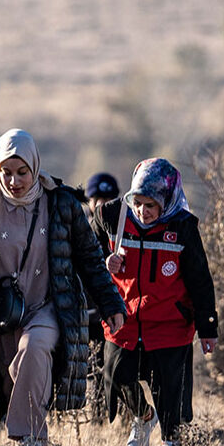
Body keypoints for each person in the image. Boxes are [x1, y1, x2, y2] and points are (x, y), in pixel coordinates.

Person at [0, 129, 126, 446]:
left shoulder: (62, 205)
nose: (13, 181)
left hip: (47, 308)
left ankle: (26, 442)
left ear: (35, 166)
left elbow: (90, 260)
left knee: (34, 350)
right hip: (3, 315)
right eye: (6, 172)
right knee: (21, 374)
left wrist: (111, 304)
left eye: (22, 172)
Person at [92, 158, 218, 446]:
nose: (143, 211)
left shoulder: (183, 228)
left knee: (169, 387)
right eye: (138, 203)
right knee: (116, 375)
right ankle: (143, 416)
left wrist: (207, 328)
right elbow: (86, 251)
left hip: (170, 323)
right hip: (124, 318)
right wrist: (105, 260)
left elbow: (200, 280)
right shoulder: (111, 217)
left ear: (167, 201)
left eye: (151, 205)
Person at [82, 171, 120, 421]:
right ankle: (97, 418)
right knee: (93, 368)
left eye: (109, 199)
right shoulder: (79, 227)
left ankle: (119, 415)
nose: (103, 204)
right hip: (88, 311)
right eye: (98, 199)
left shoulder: (123, 229)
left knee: (114, 367)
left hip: (115, 310)